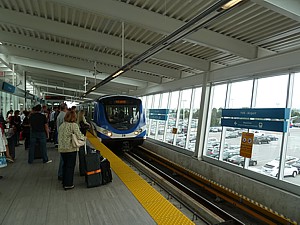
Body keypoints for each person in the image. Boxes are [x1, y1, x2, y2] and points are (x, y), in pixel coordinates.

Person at [58, 111, 84, 190]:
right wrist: (84, 138)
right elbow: (79, 136)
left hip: (62, 149)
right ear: (73, 117)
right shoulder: (74, 125)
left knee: (65, 165)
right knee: (70, 167)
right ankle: (68, 184)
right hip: (70, 149)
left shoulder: (62, 125)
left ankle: (64, 181)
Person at [56, 103, 68, 180]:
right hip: (64, 138)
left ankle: (62, 173)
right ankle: (61, 174)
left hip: (60, 136)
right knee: (64, 157)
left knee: (63, 156)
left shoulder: (59, 115)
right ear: (65, 108)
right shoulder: (64, 116)